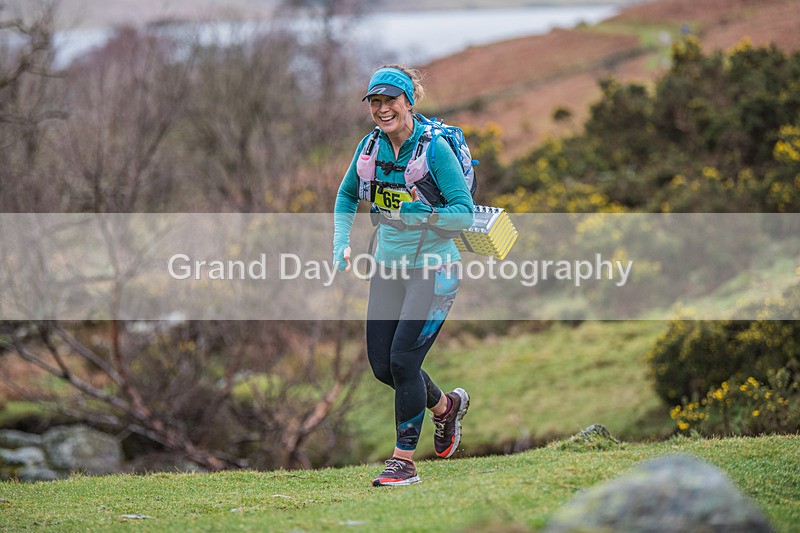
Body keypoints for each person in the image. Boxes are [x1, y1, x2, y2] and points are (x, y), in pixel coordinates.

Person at [333, 65, 474, 486]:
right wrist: (342, 241)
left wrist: (424, 212)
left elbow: (463, 212)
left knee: (403, 361)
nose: (382, 109)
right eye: (375, 102)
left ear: (408, 101)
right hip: (388, 267)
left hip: (434, 269)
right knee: (382, 367)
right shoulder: (370, 147)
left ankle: (403, 463)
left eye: (390, 100)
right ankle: (446, 407)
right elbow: (345, 195)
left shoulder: (433, 150)